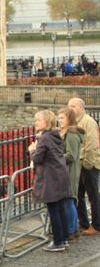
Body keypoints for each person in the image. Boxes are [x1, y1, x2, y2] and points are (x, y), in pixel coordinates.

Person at [28, 110, 71, 251]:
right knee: (61, 208)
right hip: (60, 175)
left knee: (54, 209)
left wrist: (32, 150)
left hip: (51, 178)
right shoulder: (55, 135)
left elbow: (38, 159)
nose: (36, 123)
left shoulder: (44, 138)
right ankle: (64, 239)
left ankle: (58, 242)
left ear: (47, 122)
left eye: (38, 120)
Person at [67, 98, 100, 235]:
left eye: (73, 106)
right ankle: (84, 223)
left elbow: (91, 144)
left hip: (88, 164)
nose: (70, 108)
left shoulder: (88, 122)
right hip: (79, 164)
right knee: (78, 195)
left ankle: (97, 226)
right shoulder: (76, 122)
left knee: (93, 195)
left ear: (81, 107)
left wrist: (87, 163)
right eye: (69, 106)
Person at [57, 107, 84, 241]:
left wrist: (55, 156)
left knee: (69, 200)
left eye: (62, 118)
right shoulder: (66, 133)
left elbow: (71, 156)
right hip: (66, 171)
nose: (59, 120)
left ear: (69, 119)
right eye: (59, 118)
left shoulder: (71, 134)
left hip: (70, 172)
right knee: (69, 200)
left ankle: (71, 230)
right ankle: (73, 229)